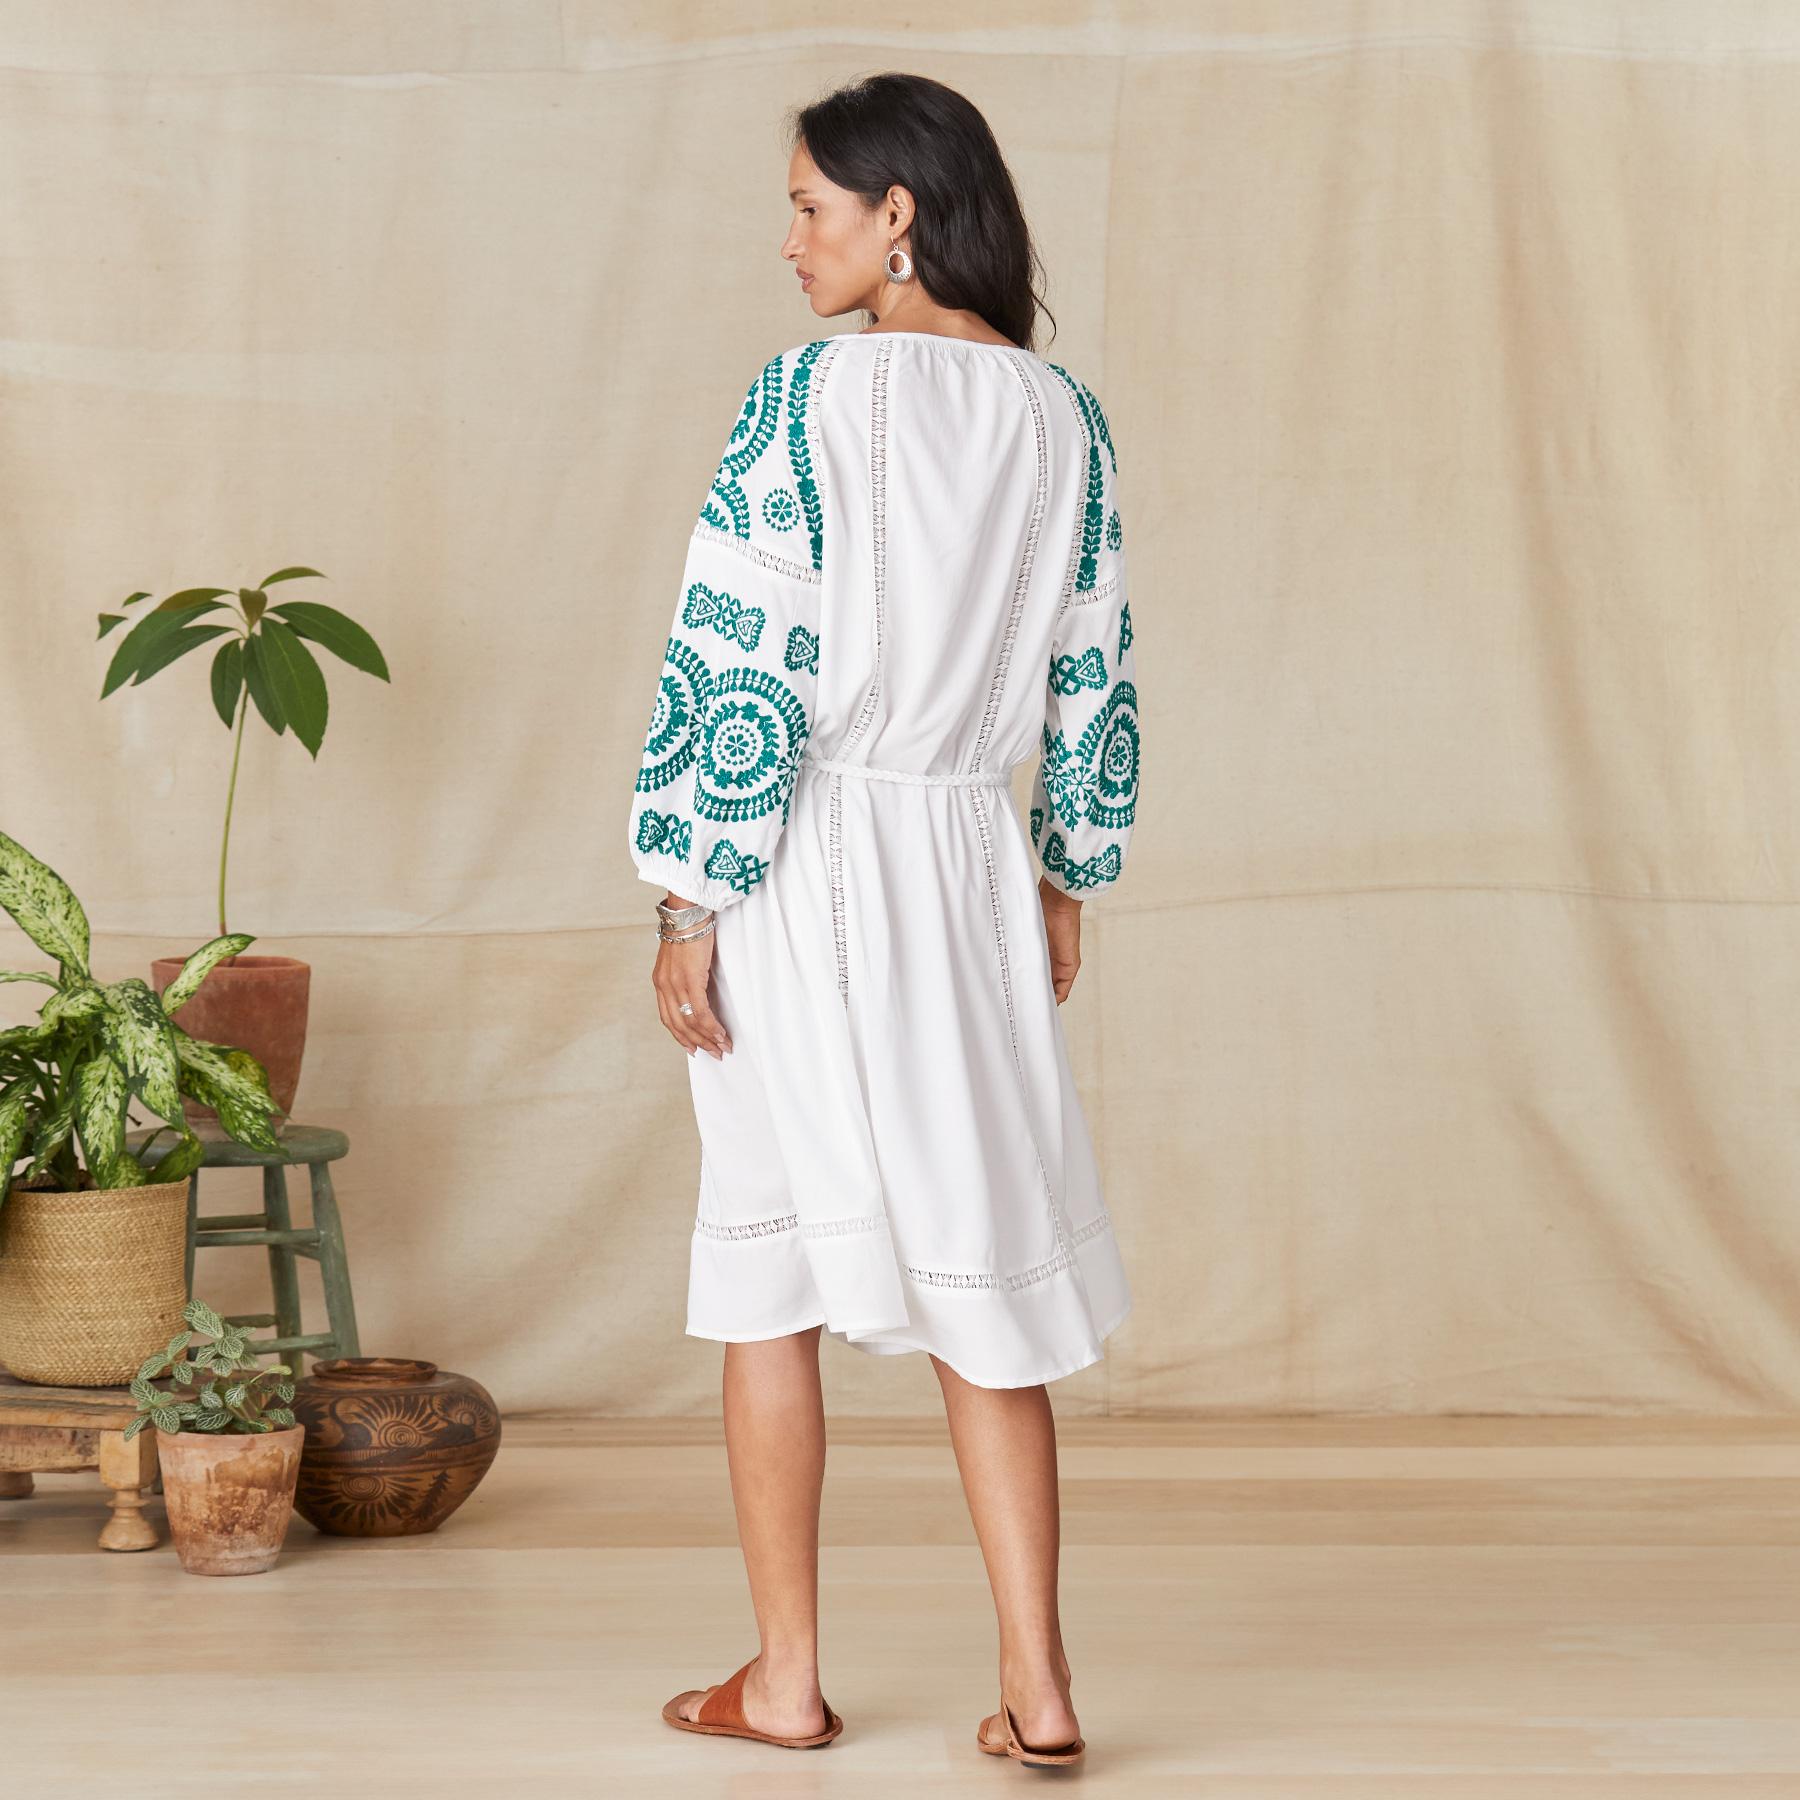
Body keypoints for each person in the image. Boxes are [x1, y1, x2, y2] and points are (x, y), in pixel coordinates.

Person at [627, 72, 1141, 1768]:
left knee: (764, 1263)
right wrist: (1063, 873)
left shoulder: (806, 399)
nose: (789, 243)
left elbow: (739, 655)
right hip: (971, 860)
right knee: (981, 1257)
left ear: (896, 212)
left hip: (807, 850)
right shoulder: (1063, 418)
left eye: (809, 207)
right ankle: (1041, 1689)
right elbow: (1094, 669)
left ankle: (784, 1680)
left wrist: (690, 894)